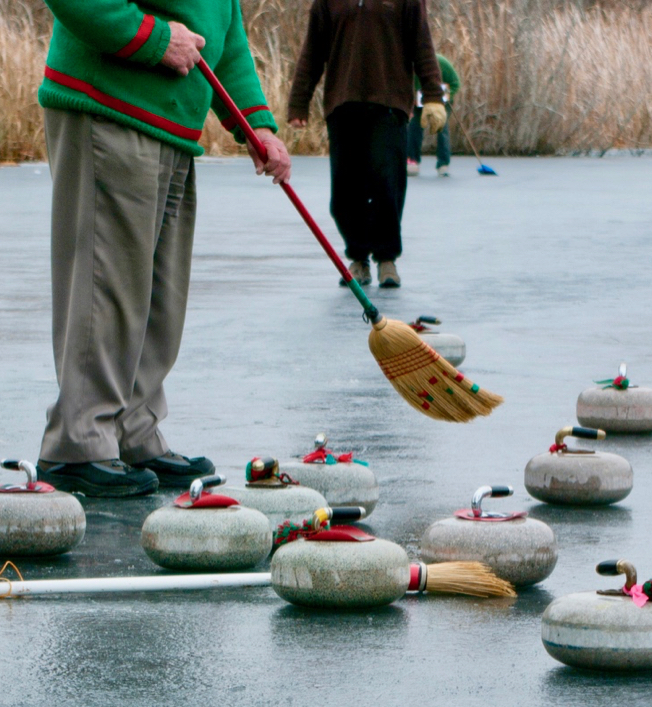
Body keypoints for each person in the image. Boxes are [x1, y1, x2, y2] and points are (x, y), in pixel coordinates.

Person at [35, 0, 292, 497]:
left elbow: (225, 27)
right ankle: (78, 442)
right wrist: (153, 39)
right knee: (106, 283)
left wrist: (253, 122)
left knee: (158, 293)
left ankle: (133, 427)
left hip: (173, 126)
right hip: (109, 106)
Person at [286, 0, 447, 290]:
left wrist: (433, 96)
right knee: (346, 190)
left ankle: (387, 259)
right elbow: (313, 51)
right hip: (343, 104)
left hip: (389, 104)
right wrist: (299, 101)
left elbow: (422, 45)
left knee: (387, 183)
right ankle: (358, 258)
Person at [406, 53, 460, 178]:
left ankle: (443, 164)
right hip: (419, 100)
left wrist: (446, 95)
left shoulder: (442, 63)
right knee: (414, 127)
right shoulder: (410, 66)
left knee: (442, 128)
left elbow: (455, 83)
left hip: (441, 101)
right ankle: (412, 160)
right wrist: (411, 100)